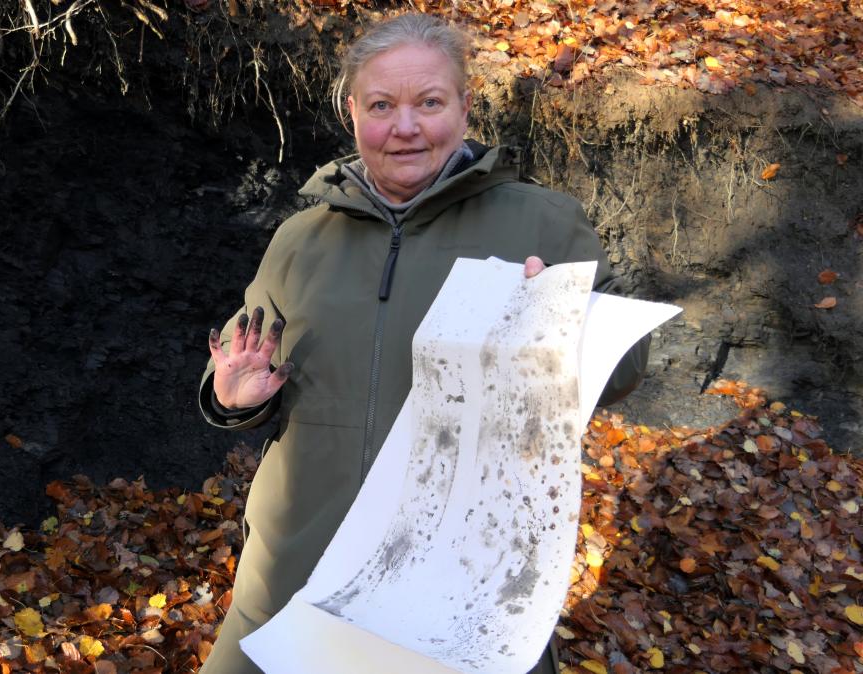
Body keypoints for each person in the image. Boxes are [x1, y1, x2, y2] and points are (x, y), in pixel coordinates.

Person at [197, 13, 649, 674]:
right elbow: (243, 369)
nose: (405, 127)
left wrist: (554, 323)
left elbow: (625, 370)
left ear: (465, 106)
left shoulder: (542, 224)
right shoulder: (302, 238)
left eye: (429, 103)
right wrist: (232, 395)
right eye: (382, 105)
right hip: (289, 583)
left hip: (460, 599)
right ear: (353, 113)